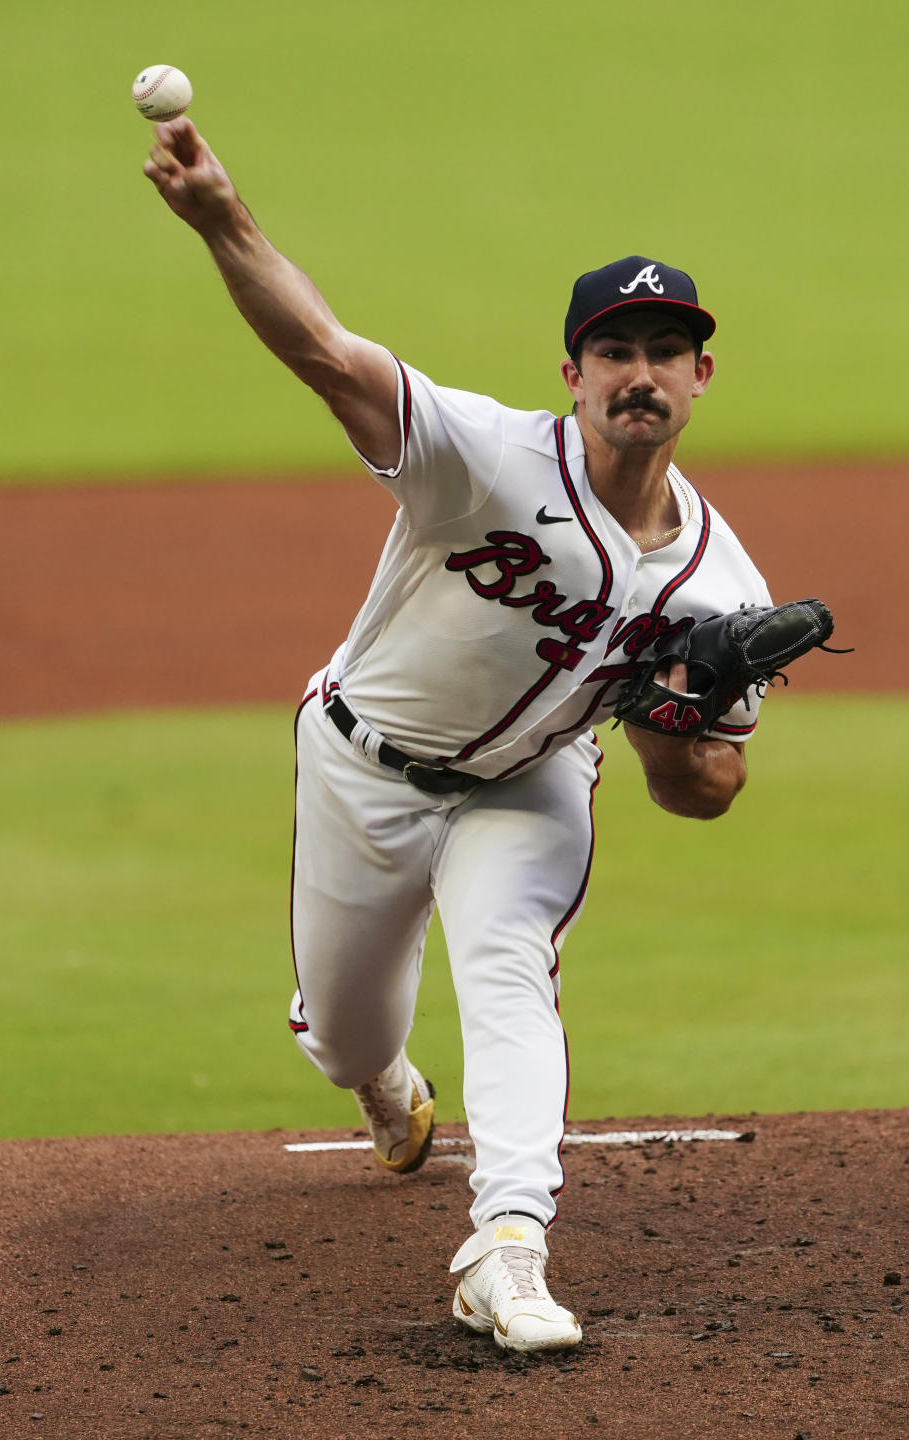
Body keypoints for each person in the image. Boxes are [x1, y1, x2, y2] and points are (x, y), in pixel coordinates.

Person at [144, 117, 770, 1354]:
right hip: (360, 762)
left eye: (666, 352)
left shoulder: (723, 588)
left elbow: (709, 789)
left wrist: (662, 723)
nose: (640, 373)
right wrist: (222, 217)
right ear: (573, 373)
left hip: (528, 787)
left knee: (506, 965)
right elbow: (328, 355)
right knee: (344, 1033)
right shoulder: (480, 459)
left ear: (703, 377)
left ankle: (509, 1247)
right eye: (616, 353)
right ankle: (383, 1081)